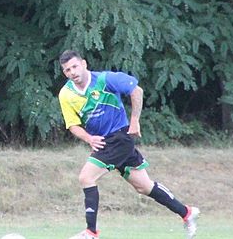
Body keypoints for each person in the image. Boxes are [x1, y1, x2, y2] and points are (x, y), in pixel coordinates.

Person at [56, 50, 199, 239]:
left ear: (84, 64)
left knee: (86, 178)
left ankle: (91, 232)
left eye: (75, 66)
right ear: (64, 73)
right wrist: (89, 138)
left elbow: (136, 90)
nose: (73, 72)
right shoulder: (66, 94)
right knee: (144, 186)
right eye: (67, 70)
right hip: (105, 142)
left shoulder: (105, 79)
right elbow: (73, 125)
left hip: (119, 138)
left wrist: (134, 120)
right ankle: (187, 213)